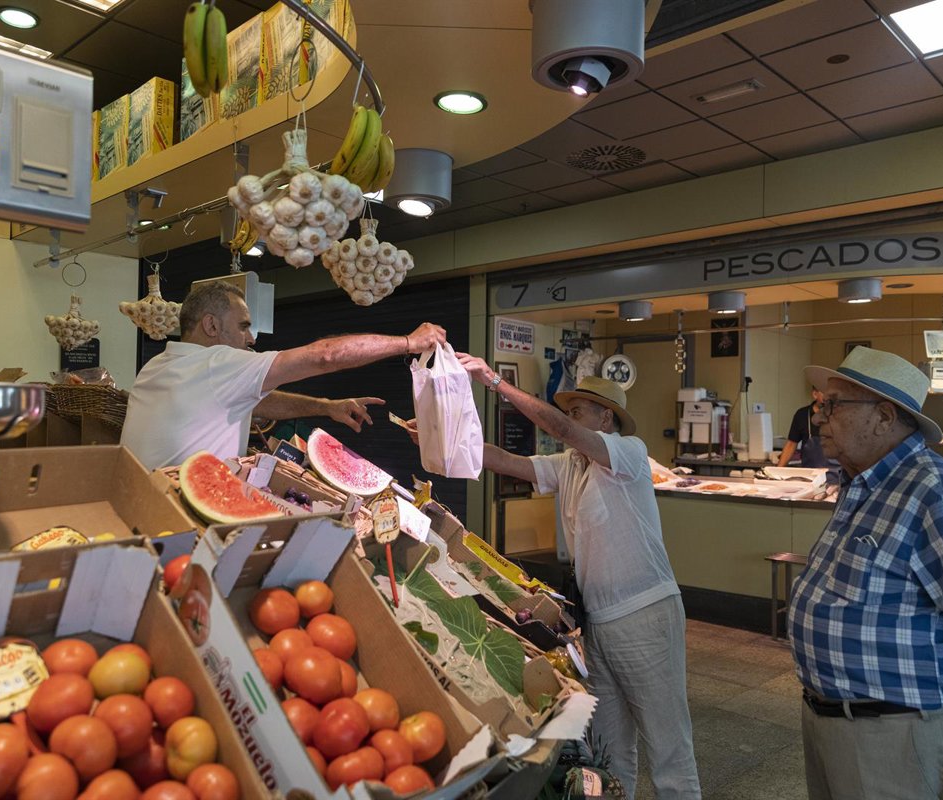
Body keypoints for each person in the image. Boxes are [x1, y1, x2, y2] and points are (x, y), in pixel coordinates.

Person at [415, 361, 701, 799]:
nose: (569, 419)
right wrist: (440, 438)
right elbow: (507, 461)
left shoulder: (629, 452)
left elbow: (562, 430)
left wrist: (496, 383)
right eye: (569, 411)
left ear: (605, 418)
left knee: (669, 748)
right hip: (597, 623)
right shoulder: (570, 464)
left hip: (645, 615)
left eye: (579, 411)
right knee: (609, 749)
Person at [788, 346, 943, 800]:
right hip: (839, 725)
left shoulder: (939, 495)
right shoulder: (864, 486)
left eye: (833, 405)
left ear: (884, 417)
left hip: (903, 739)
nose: (818, 417)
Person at [121, 280, 445, 470]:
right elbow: (326, 355)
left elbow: (257, 402)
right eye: (243, 326)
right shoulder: (218, 363)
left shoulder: (159, 365)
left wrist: (326, 407)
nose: (251, 339)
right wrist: (409, 342)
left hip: (139, 506)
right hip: (186, 523)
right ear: (211, 325)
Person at [776, 387, 828, 467]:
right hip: (809, 471)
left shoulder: (839, 415)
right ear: (815, 394)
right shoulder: (802, 415)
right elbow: (791, 444)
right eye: (825, 392)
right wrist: (778, 470)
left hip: (835, 473)